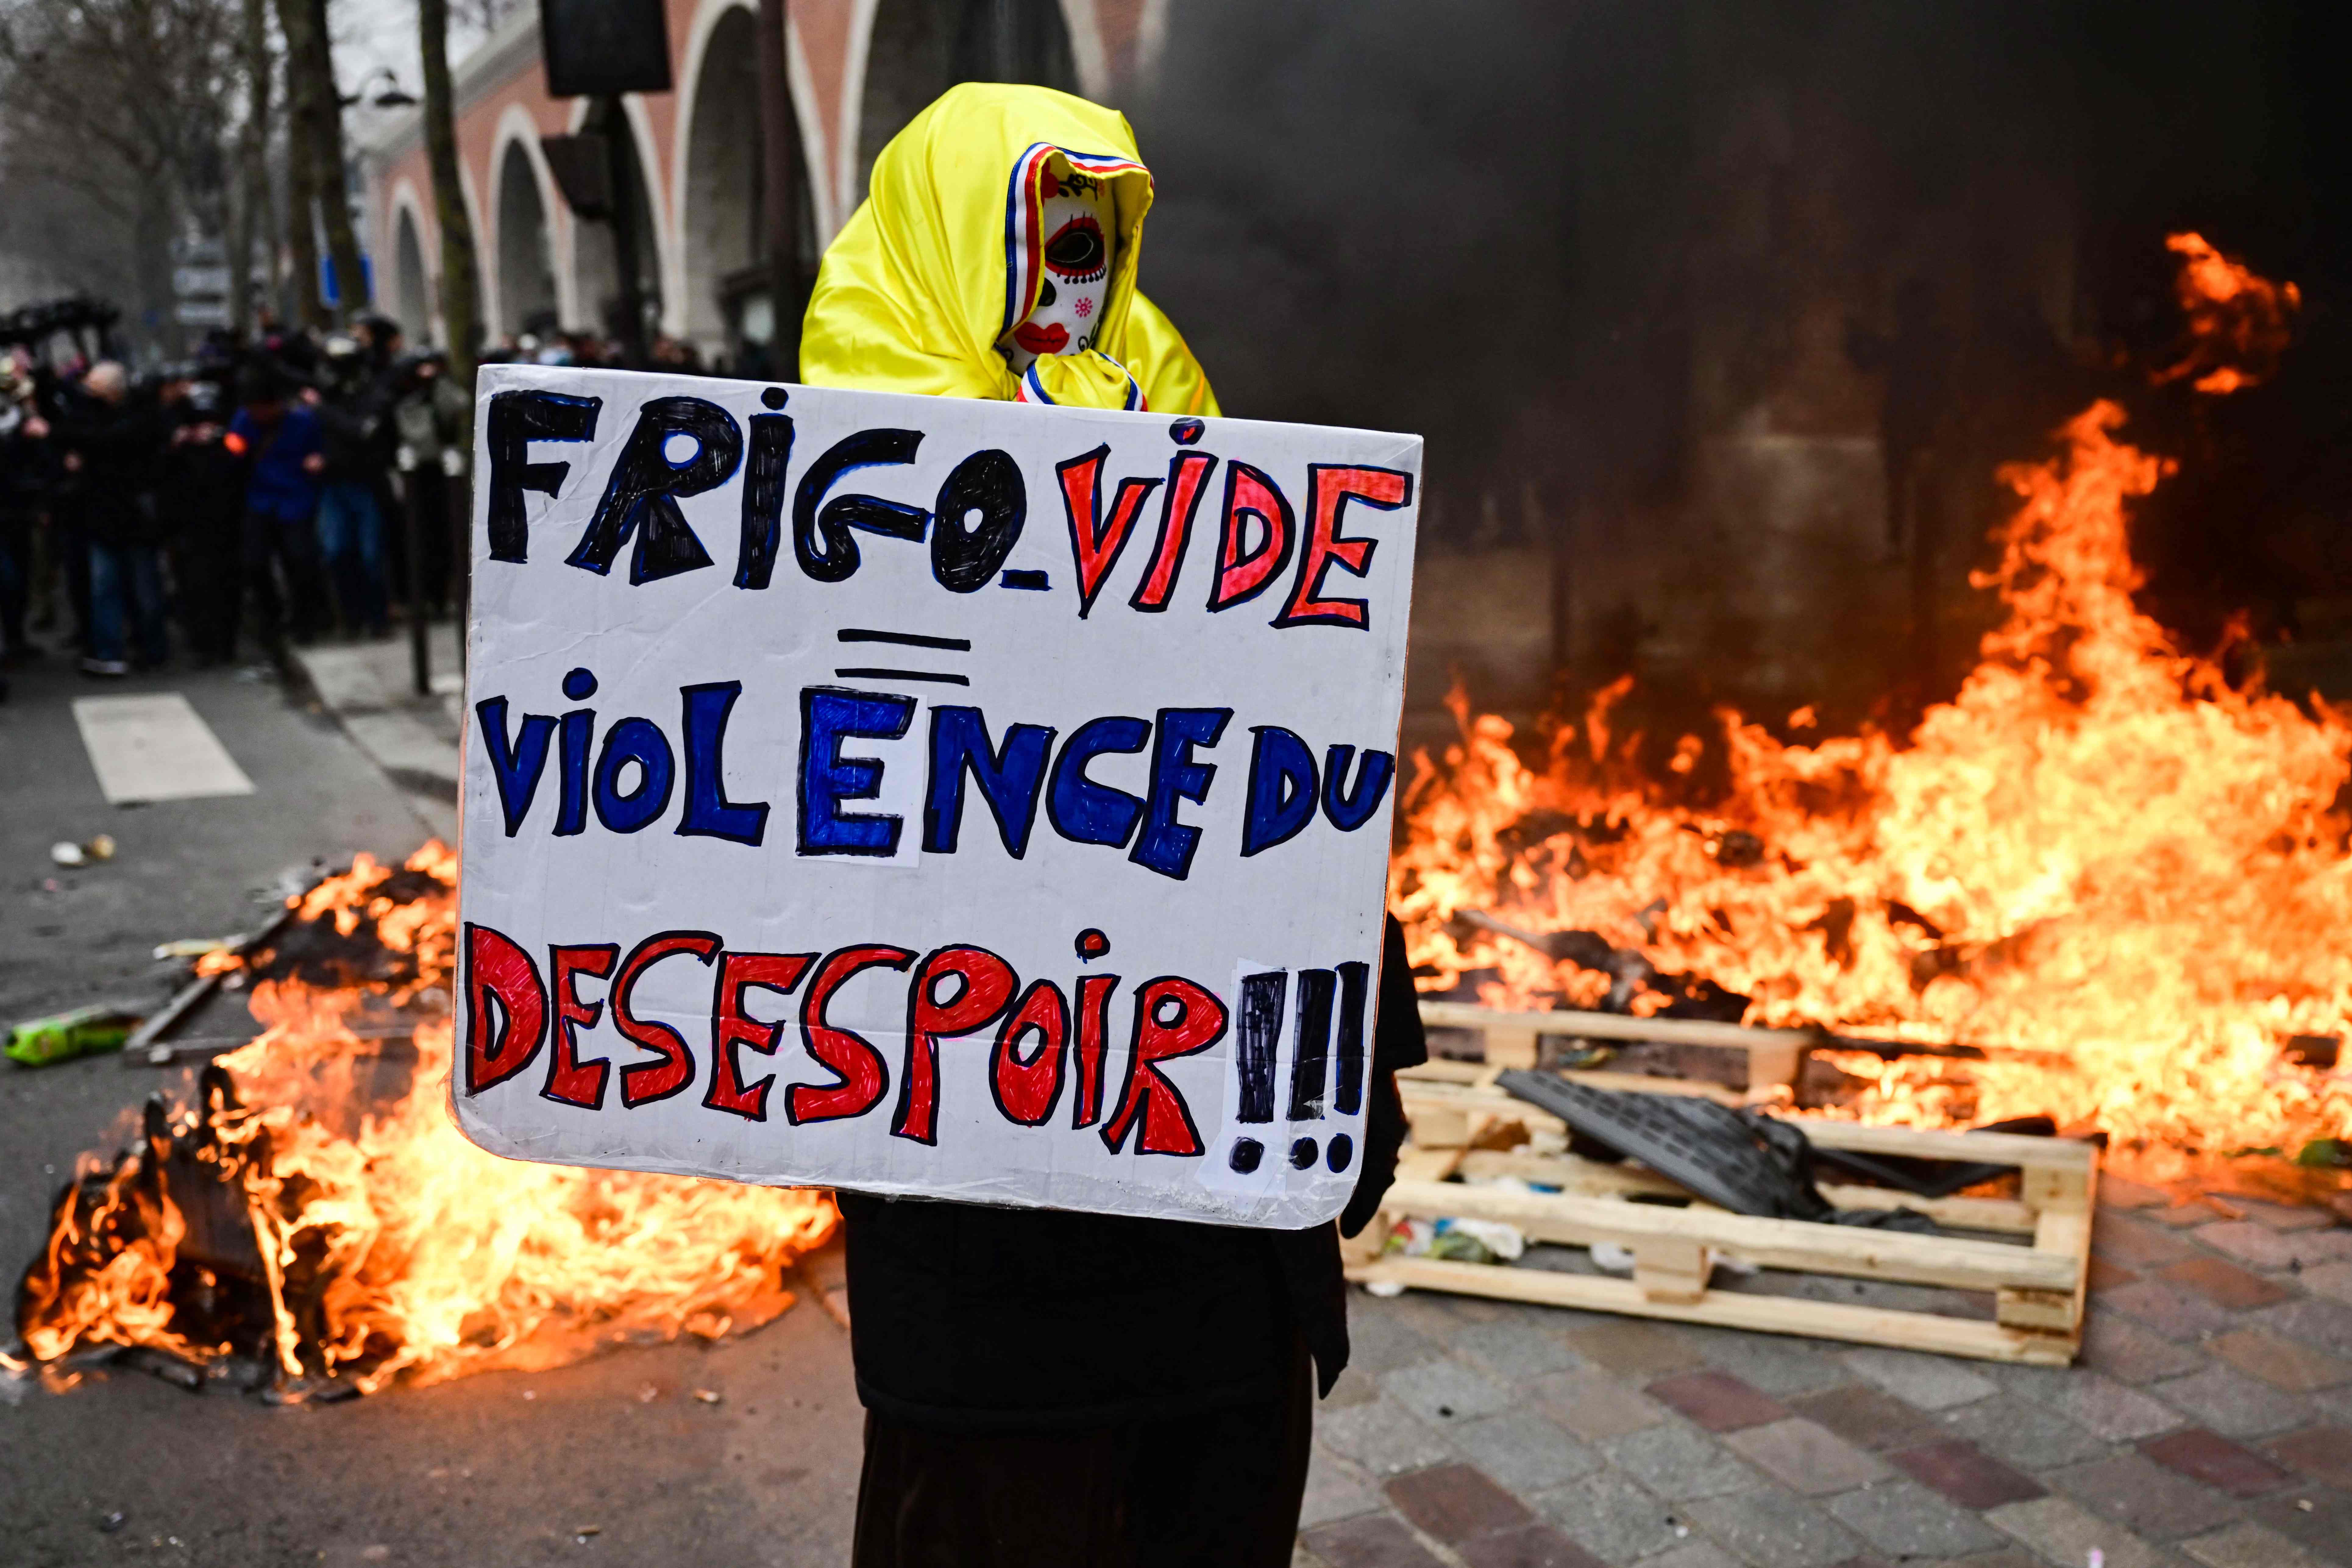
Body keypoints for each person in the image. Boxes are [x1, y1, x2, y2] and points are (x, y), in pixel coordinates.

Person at [799, 84, 1418, 1568]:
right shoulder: (807, 539)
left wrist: (1357, 1055)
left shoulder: (1186, 436)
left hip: (1217, 1263)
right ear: (960, 241)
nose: (1071, 277)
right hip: (997, 1296)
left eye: (1094, 241)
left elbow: (1280, 777)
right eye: (1039, 237)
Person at [55, 361, 167, 675]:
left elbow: (111, 441)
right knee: (104, 588)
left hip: (133, 513)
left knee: (144, 589)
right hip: (102, 515)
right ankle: (109, 652)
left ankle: (152, 649)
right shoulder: (94, 414)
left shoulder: (139, 415)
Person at [226, 363, 328, 657]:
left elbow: (319, 452)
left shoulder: (302, 422)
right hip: (261, 501)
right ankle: (272, 617)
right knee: (255, 563)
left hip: (295, 501)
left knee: (300, 561)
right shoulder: (244, 420)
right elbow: (234, 453)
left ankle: (304, 620)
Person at [314, 334, 394, 638]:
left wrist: (324, 411)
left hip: (366, 484)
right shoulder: (328, 395)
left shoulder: (373, 396)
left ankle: (377, 619)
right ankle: (352, 618)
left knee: (371, 555)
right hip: (334, 485)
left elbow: (361, 432)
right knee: (337, 553)